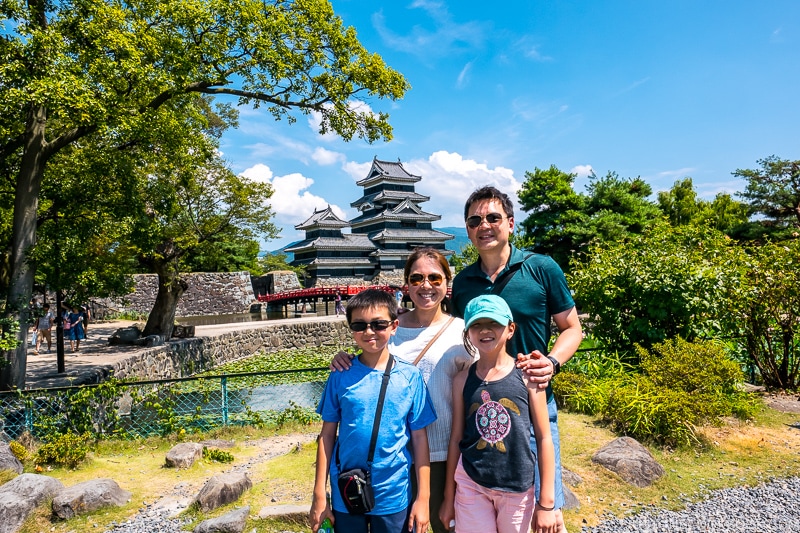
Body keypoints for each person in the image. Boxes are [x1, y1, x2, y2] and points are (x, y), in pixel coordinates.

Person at [450, 186, 583, 531]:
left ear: (510, 223)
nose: (484, 225)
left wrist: (551, 362)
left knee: (545, 512)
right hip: (481, 407)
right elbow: (443, 329)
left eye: (493, 217)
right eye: (475, 220)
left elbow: (572, 328)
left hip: (534, 397)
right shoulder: (463, 282)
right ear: (467, 229)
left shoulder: (540, 268)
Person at [331, 248, 474, 533]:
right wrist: (341, 357)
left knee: (446, 525)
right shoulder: (389, 326)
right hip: (394, 457)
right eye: (417, 277)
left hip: (447, 451)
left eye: (435, 278)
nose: (426, 285)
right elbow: (369, 360)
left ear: (448, 283)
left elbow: (484, 381)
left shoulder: (462, 331)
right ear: (406, 284)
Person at [310, 289, 437, 533]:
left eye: (378, 324)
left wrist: (423, 498)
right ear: (351, 329)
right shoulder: (340, 376)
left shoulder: (410, 377)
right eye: (360, 325)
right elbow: (326, 435)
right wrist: (319, 494)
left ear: (394, 326)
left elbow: (420, 439)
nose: (369, 332)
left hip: (393, 491)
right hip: (345, 489)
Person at [440, 295, 556, 533]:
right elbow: (456, 439)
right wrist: (448, 496)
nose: (485, 330)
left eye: (493, 323)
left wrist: (547, 504)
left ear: (510, 329)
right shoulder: (462, 380)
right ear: (468, 332)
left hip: (517, 486)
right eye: (477, 325)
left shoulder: (528, 376)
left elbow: (544, 438)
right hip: (471, 482)